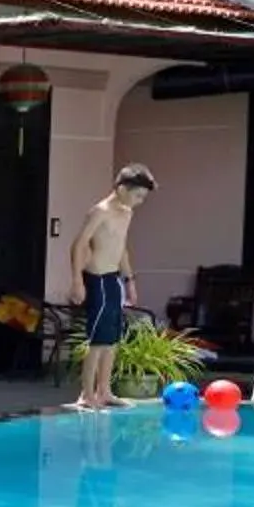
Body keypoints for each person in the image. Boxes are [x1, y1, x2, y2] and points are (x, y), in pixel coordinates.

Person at [67, 164, 157, 411]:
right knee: (97, 340)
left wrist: (130, 281)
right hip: (97, 279)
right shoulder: (100, 212)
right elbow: (78, 245)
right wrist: (76, 281)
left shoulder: (126, 212)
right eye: (137, 195)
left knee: (113, 339)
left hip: (114, 279)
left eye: (143, 197)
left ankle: (104, 391)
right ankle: (86, 394)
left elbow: (121, 247)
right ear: (121, 188)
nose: (139, 202)